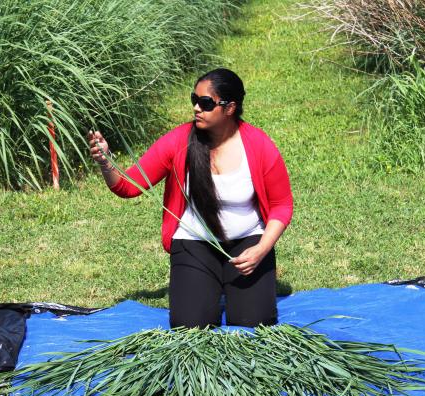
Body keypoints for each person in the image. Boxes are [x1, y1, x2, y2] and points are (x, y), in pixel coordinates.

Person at [88, 68, 293, 329]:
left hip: (249, 243)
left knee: (253, 326)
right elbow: (128, 187)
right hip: (193, 243)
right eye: (193, 100)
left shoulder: (259, 144)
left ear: (230, 108)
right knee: (190, 328)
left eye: (205, 103)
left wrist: (261, 249)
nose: (196, 108)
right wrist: (106, 162)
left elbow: (281, 205)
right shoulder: (178, 141)